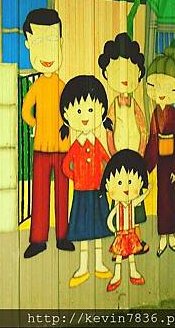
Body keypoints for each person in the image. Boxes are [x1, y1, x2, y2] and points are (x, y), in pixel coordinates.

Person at [21, 8, 74, 258]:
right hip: (42, 148)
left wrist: (67, 125)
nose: (47, 51)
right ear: (28, 44)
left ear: (61, 43)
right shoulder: (37, 86)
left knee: (62, 193)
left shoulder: (63, 86)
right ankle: (38, 239)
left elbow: (70, 111)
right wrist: (36, 124)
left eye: (52, 41)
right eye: (39, 42)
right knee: (40, 195)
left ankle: (63, 236)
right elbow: (25, 112)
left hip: (62, 149)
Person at [98, 32, 149, 255]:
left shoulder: (135, 104)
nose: (125, 77)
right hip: (119, 158)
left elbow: (143, 129)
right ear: (107, 74)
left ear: (138, 74)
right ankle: (120, 240)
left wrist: (141, 151)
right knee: (120, 200)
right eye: (118, 71)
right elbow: (109, 132)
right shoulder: (113, 105)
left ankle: (137, 239)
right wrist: (113, 155)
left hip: (135, 158)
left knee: (136, 200)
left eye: (130, 71)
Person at [60, 75, 113, 287]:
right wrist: (77, 178)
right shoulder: (76, 145)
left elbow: (107, 161)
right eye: (78, 111)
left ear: (101, 111)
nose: (85, 116)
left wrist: (104, 178)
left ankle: (99, 264)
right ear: (67, 115)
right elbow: (66, 166)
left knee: (98, 228)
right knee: (82, 230)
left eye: (90, 110)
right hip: (81, 192)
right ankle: (83, 267)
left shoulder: (96, 142)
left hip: (97, 191)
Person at [144, 48, 175, 257]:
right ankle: (163, 236)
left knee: (172, 198)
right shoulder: (155, 113)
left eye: (167, 87)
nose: (161, 92)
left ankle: (172, 235)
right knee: (162, 198)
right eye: (157, 85)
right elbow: (152, 139)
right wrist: (147, 166)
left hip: (171, 161)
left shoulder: (173, 115)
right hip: (160, 160)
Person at [101, 149, 150, 292]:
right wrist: (114, 230)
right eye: (119, 182)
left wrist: (147, 191)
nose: (126, 188)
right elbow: (110, 219)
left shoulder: (132, 203)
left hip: (130, 234)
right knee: (119, 256)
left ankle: (133, 273)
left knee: (131, 254)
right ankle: (117, 276)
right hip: (121, 235)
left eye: (129, 181)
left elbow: (139, 199)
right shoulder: (117, 206)